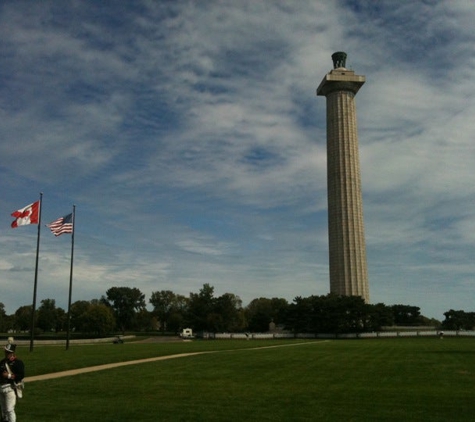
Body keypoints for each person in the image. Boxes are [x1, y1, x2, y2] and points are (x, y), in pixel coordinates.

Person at [0, 342, 24, 422]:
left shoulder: (18, 363)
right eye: (6, 351)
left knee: (10, 410)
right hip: (1, 388)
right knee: (3, 410)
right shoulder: (2, 362)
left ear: (12, 353)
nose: (6, 353)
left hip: (10, 388)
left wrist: (9, 376)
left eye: (8, 352)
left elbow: (20, 375)